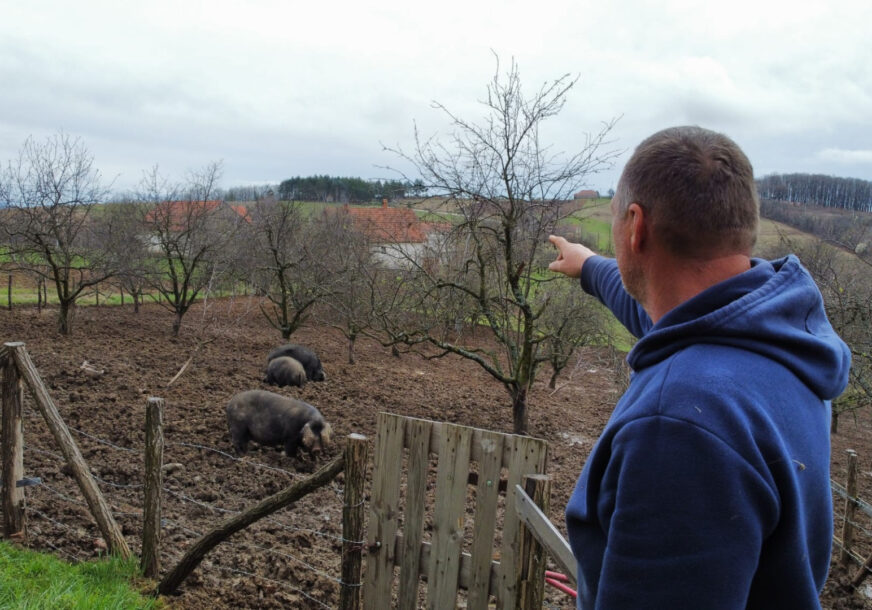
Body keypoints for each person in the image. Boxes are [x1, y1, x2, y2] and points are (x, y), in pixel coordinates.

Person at [548, 125, 851, 609]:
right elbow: (657, 315)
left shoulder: (678, 424)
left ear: (635, 225)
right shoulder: (775, 339)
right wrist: (589, 266)